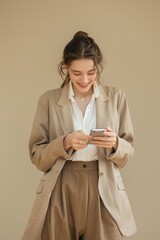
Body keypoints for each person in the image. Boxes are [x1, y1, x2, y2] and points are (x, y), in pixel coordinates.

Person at [22, 31, 137, 240]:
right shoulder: (48, 100)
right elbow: (37, 156)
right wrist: (63, 143)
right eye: (76, 73)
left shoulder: (116, 97)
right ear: (65, 68)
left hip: (104, 187)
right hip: (61, 186)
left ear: (98, 68)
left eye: (91, 72)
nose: (84, 80)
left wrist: (115, 144)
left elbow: (128, 152)